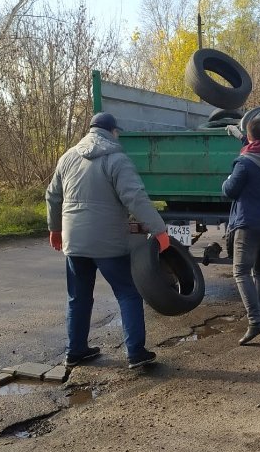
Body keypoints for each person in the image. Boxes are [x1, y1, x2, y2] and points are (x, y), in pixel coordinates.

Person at [46, 112, 170, 368]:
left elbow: (53, 196)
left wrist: (55, 228)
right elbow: (135, 198)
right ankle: (136, 353)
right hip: (107, 244)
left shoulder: (68, 157)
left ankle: (76, 351)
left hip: (74, 243)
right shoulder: (116, 159)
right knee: (128, 293)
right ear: (113, 132)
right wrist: (159, 229)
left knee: (78, 297)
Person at [223, 119, 260, 345]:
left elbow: (230, 190)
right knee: (259, 272)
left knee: (241, 273)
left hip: (249, 226)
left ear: (249, 137)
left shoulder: (244, 163)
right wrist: (242, 136)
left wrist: (227, 180)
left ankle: (255, 320)